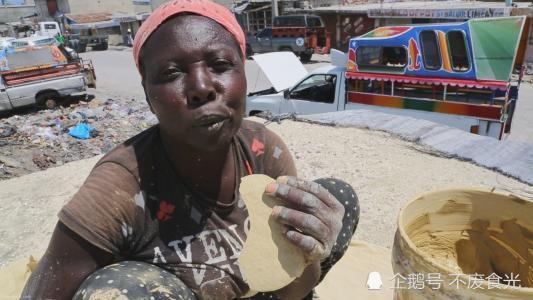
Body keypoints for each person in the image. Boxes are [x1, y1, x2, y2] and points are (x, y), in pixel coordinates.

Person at [21, 1, 359, 299]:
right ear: (148, 95)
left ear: (243, 73)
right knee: (117, 289)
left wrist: (310, 253)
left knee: (334, 201)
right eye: (171, 73)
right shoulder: (119, 188)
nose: (201, 88)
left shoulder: (263, 151)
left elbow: (293, 291)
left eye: (221, 65)